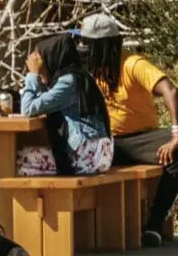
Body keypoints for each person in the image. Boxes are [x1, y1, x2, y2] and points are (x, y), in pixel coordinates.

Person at [76, 14, 178, 246]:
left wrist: (176, 134)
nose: (83, 49)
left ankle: (154, 224)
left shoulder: (133, 64)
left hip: (141, 139)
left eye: (88, 45)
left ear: (105, 45)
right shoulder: (85, 71)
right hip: (105, 141)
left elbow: (170, 91)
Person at [18, 34, 113, 176]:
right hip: (95, 152)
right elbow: (43, 102)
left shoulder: (68, 82)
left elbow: (28, 109)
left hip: (88, 156)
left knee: (17, 159)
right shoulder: (78, 76)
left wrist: (33, 74)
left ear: (52, 58)